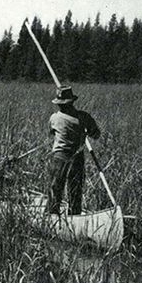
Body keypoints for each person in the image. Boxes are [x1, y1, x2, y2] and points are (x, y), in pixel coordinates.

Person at [46, 86, 101, 215]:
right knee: (74, 189)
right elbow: (96, 134)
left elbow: (51, 133)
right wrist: (85, 131)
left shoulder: (54, 118)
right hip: (75, 157)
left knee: (56, 188)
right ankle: (73, 214)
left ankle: (52, 214)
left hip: (60, 157)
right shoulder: (83, 117)